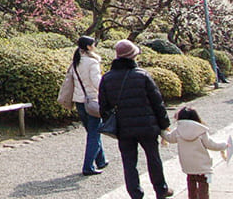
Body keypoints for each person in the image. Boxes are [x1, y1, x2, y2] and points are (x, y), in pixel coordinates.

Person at [99, 39, 173, 199]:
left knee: (129, 163)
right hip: (147, 126)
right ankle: (161, 190)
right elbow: (157, 102)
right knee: (153, 159)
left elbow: (103, 107)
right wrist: (164, 124)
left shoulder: (107, 78)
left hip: (124, 128)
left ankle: (135, 194)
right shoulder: (142, 75)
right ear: (133, 56)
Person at [162, 106, 228, 199]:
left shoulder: (178, 131)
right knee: (203, 188)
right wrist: (225, 145)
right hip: (202, 166)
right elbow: (212, 145)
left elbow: (169, 138)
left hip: (188, 166)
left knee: (191, 186)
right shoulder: (201, 131)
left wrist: (161, 131)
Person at [70, 35, 108, 175]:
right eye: (93, 44)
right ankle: (88, 167)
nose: (94, 46)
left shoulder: (76, 61)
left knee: (92, 131)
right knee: (94, 133)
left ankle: (101, 160)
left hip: (79, 101)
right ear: (88, 47)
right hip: (92, 100)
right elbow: (97, 83)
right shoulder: (92, 62)